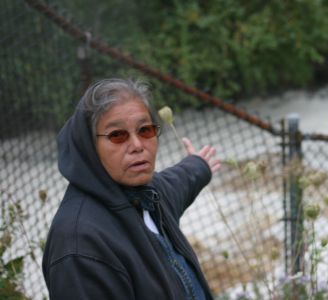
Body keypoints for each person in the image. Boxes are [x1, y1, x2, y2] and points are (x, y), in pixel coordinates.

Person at [42, 78, 220, 300]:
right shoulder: (80, 245)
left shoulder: (147, 195)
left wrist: (198, 166)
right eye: (118, 135)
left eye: (145, 130)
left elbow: (178, 182)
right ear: (89, 146)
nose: (137, 145)